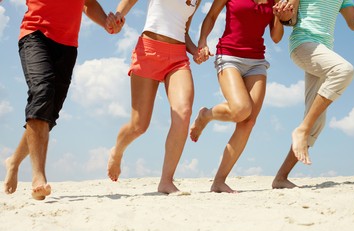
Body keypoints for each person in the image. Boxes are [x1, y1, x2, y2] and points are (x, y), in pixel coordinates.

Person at [3, 0, 123, 200]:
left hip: (67, 45)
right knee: (42, 92)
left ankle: (13, 162)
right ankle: (38, 177)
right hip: (35, 33)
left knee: (48, 114)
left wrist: (106, 22)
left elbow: (88, 3)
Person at [272, 0, 354, 189]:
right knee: (343, 70)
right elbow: (288, 18)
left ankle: (280, 178)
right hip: (303, 44)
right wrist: (283, 15)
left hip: (323, 50)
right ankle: (302, 129)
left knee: (316, 118)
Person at [189, 0, 292, 193]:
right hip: (228, 55)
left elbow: (276, 38)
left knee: (248, 122)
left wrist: (280, 17)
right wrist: (202, 41)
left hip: (256, 61)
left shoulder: (275, 1)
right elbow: (211, 16)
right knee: (241, 109)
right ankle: (206, 115)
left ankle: (219, 181)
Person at [107, 0, 203, 194]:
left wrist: (195, 51)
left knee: (183, 113)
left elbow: (183, 30)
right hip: (149, 50)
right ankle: (117, 152)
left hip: (177, 58)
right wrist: (119, 14)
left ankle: (166, 181)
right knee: (139, 126)